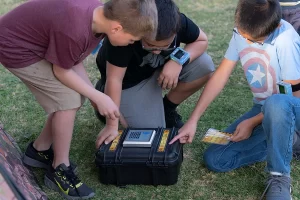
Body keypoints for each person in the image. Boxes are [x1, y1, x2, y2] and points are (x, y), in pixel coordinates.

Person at [0, 0, 158, 199]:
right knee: (68, 101)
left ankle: (38, 151)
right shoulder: (74, 30)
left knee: (75, 96)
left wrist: (93, 95)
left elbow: (73, 60)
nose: (132, 43)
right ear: (117, 28)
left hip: (32, 42)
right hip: (14, 47)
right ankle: (59, 169)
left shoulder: (98, 19)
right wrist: (98, 96)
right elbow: (62, 70)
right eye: (133, 39)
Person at [169, 0, 300, 199]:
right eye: (243, 36)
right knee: (216, 159)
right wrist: (193, 120)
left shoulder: (286, 40)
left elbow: (293, 98)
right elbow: (221, 75)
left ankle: (279, 176)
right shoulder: (241, 30)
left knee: (276, 104)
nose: (246, 42)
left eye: (254, 41)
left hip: (289, 108)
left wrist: (252, 122)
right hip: (265, 110)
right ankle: (288, 141)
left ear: (275, 26)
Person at [94, 0, 215, 147]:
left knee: (204, 64)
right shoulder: (125, 37)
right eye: (150, 45)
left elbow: (202, 40)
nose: (157, 51)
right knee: (153, 134)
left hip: (158, 70)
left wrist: (177, 61)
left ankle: (167, 108)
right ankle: (103, 100)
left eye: (164, 46)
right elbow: (114, 80)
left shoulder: (176, 21)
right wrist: (112, 124)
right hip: (129, 84)